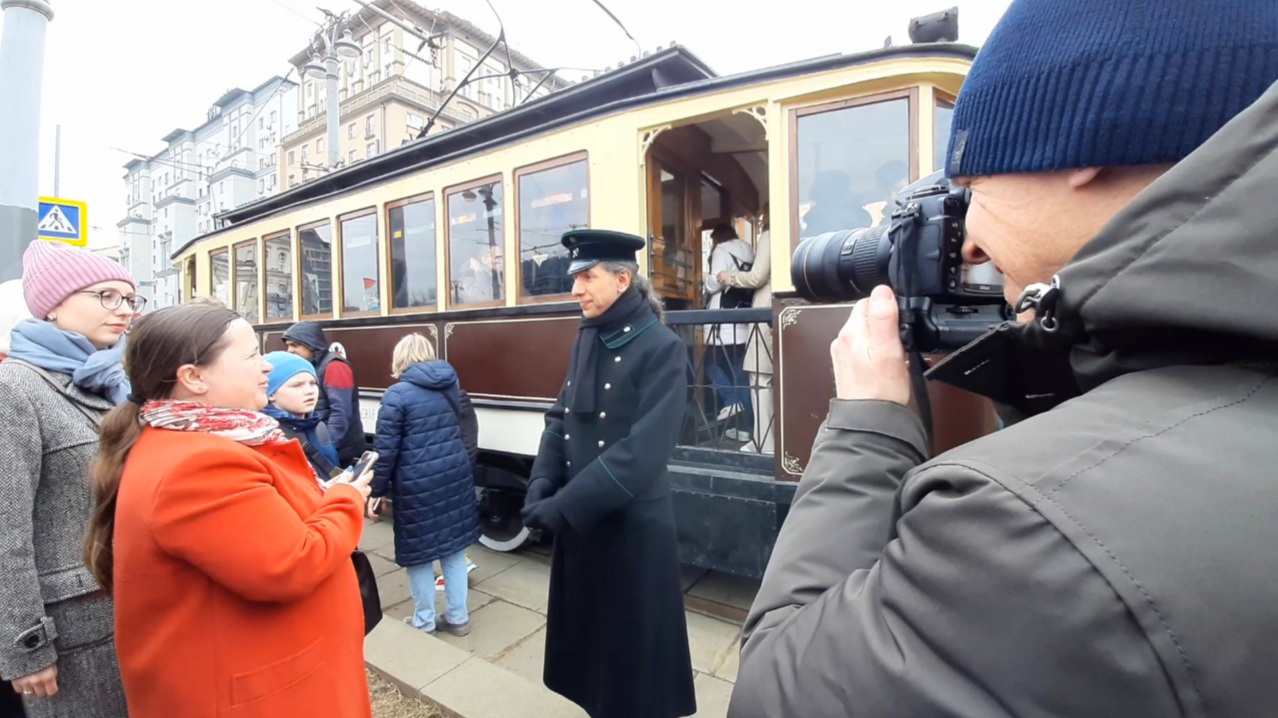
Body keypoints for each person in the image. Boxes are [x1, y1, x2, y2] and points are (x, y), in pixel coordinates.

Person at [729, 1, 1278, 716]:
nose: (969, 246)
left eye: (973, 193)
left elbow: (777, 694)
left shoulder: (1027, 525)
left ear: (1084, 143)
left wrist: (866, 425)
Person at [84, 303, 374, 718]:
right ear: (193, 377)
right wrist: (346, 497)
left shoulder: (195, 445)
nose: (266, 366)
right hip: (260, 695)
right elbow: (290, 563)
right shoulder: (200, 464)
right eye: (251, 355)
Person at [522, 230, 696, 718]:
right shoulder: (588, 335)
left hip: (630, 534)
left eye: (587, 276)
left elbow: (643, 452)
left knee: (631, 671)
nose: (575, 288)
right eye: (575, 277)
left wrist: (563, 507)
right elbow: (560, 418)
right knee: (591, 661)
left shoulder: (661, 347)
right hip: (586, 528)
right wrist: (541, 482)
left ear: (622, 280)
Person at [0, 241, 138, 718]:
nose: (123, 310)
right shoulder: (16, 388)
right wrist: (26, 646)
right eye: (106, 296)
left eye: (129, 298)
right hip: (72, 632)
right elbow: (6, 530)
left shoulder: (114, 382)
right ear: (53, 305)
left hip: (130, 606)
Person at [371, 333, 480, 636]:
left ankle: (424, 621)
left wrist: (376, 490)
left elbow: (385, 450)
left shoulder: (397, 395)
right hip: (454, 477)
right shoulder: (452, 386)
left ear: (400, 358)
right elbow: (467, 431)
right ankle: (458, 618)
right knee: (454, 550)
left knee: (419, 555)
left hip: (416, 485)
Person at [715, 215, 773, 454]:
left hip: (765, 310)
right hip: (771, 312)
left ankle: (765, 442)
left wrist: (727, 277)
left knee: (759, 376)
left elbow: (757, 277)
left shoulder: (770, 235)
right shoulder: (749, 247)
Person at [281, 321, 367, 465]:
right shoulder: (312, 365)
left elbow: (340, 415)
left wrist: (326, 449)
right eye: (288, 345)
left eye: (295, 345)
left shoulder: (335, 366)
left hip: (338, 452)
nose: (290, 350)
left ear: (311, 344)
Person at [702, 223, 755, 442]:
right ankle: (748, 429)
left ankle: (731, 401)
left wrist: (707, 281)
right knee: (741, 375)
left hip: (722, 318)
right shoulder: (748, 250)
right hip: (742, 315)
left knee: (709, 363)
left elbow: (715, 283)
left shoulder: (722, 250)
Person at [263, 350, 341, 479]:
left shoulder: (319, 427)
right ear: (270, 393)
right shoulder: (265, 436)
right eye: (297, 385)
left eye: (313, 383)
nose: (309, 391)